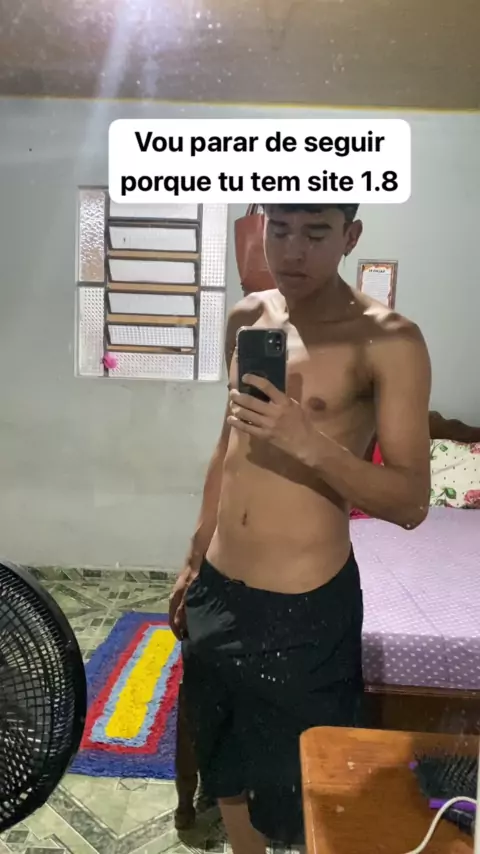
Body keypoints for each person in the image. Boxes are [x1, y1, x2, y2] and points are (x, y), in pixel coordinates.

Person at [169, 203, 431, 853]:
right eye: (279, 230)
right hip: (219, 588)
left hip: (304, 607)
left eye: (315, 233)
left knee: (307, 781)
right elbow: (228, 445)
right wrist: (194, 555)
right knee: (225, 760)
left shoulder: (389, 340)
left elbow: (410, 501)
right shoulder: (246, 318)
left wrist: (306, 440)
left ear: (350, 235)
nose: (292, 251)